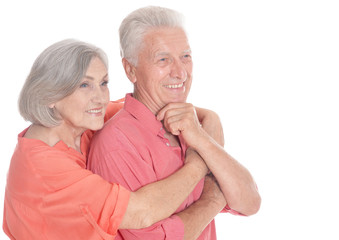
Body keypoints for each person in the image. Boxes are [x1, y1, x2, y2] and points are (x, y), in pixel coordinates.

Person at [2, 39, 222, 240]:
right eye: (84, 85)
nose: (100, 98)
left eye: (104, 83)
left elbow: (165, 110)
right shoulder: (46, 169)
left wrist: (210, 117)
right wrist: (202, 163)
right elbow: (142, 213)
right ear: (50, 96)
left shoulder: (82, 121)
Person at [88, 6, 261, 240]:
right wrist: (212, 199)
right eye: (163, 59)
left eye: (185, 57)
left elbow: (250, 203)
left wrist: (201, 140)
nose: (180, 72)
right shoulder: (116, 145)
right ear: (131, 70)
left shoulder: (191, 126)